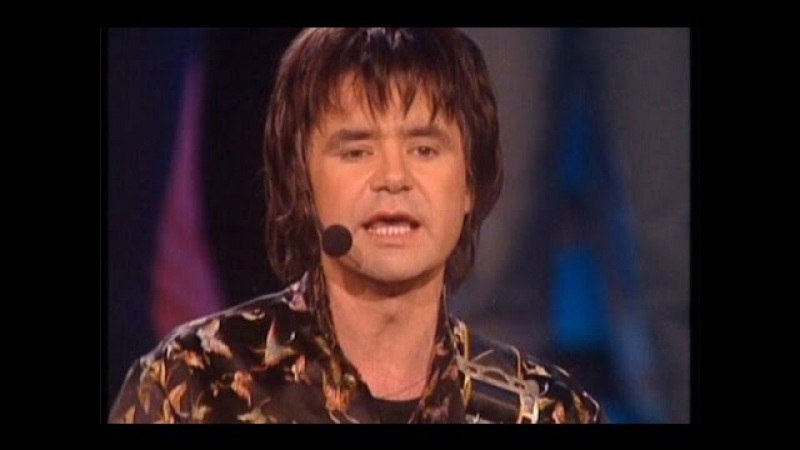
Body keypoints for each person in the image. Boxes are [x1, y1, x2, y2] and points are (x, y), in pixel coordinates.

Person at [108, 27, 604, 424]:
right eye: (357, 151)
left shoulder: (545, 411)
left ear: (471, 184)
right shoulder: (195, 387)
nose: (393, 178)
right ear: (302, 182)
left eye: (424, 149)